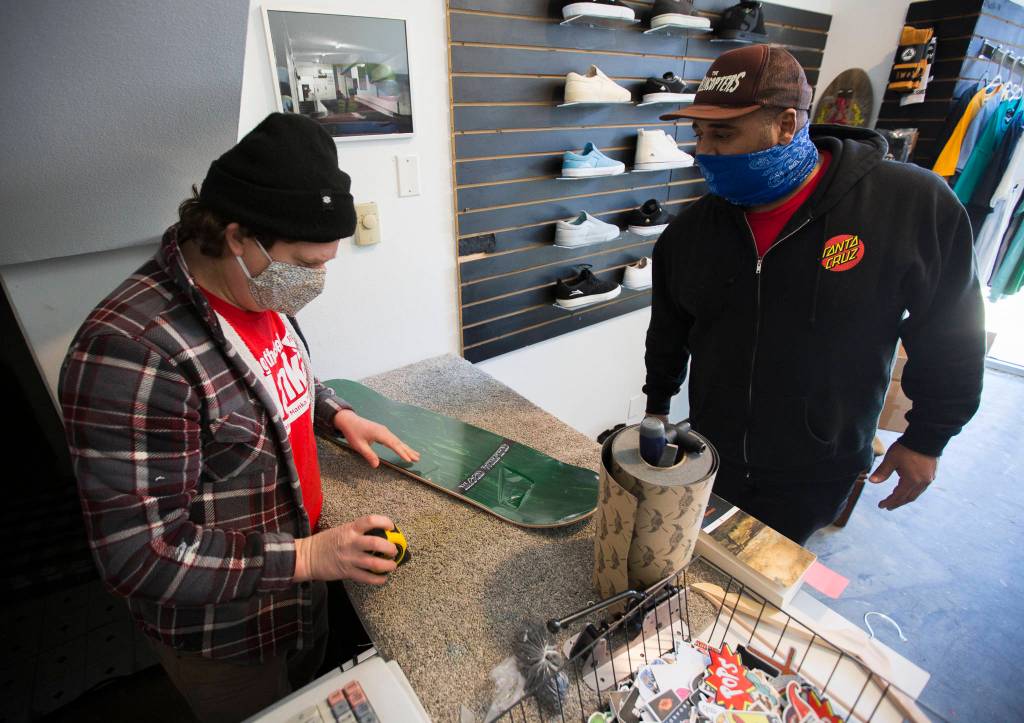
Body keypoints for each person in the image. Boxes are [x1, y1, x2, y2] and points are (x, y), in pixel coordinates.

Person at [58, 113, 419, 722]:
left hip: (299, 593)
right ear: (237, 238)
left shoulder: (258, 288)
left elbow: (268, 377)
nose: (315, 282)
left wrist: (334, 414)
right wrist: (307, 559)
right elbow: (139, 554)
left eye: (325, 263)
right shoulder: (132, 351)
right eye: (305, 264)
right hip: (229, 635)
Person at [644, 45, 986, 544]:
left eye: (723, 133)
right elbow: (670, 327)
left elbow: (952, 331)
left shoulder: (909, 203)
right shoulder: (692, 231)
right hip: (711, 453)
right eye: (699, 134)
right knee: (704, 567)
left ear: (786, 124)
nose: (705, 152)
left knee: (768, 576)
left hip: (818, 465)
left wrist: (927, 438)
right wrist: (657, 406)